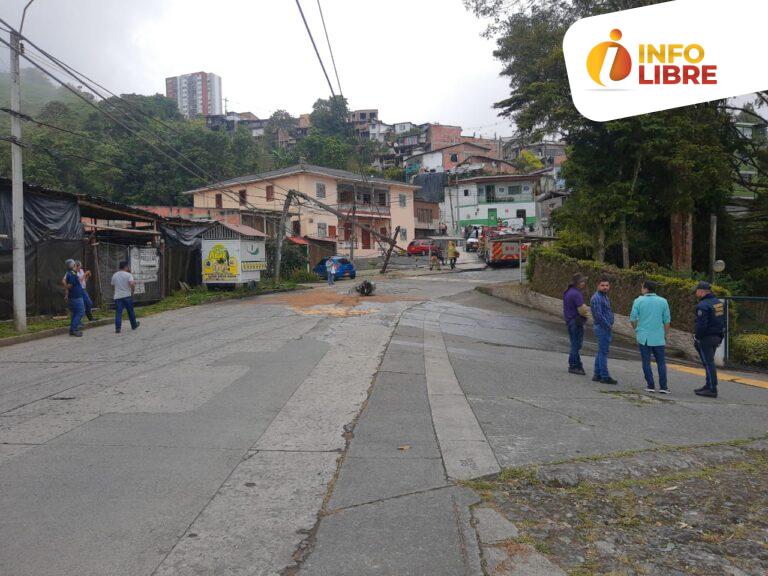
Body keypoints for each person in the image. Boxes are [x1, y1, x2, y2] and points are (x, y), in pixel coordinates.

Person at [630, 280, 671, 394]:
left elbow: (633, 318)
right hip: (658, 336)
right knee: (661, 362)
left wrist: (637, 329)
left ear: (646, 289)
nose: (641, 289)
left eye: (642, 287)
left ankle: (650, 385)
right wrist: (665, 334)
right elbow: (667, 321)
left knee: (646, 361)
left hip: (644, 337)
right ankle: (663, 387)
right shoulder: (663, 301)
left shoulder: (638, 301)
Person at [693, 281, 725, 398]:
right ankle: (708, 385)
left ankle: (712, 389)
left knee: (708, 363)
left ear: (702, 291)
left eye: (696, 290)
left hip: (706, 338)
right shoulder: (718, 303)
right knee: (708, 362)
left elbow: (701, 325)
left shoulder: (702, 305)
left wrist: (697, 336)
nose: (695, 292)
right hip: (717, 336)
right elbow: (721, 320)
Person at [590, 276, 617, 384]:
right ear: (598, 286)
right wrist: (608, 325)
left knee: (601, 351)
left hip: (604, 327)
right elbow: (598, 316)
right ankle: (604, 376)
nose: (605, 287)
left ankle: (597, 374)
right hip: (602, 328)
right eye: (602, 285)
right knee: (603, 352)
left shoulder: (604, 297)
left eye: (606, 285)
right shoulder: (597, 298)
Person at [563, 273, 590, 375]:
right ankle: (573, 365)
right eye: (582, 281)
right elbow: (582, 310)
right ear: (578, 283)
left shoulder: (567, 292)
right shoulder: (576, 294)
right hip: (576, 322)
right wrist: (587, 312)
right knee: (576, 345)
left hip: (569, 320)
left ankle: (578, 364)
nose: (584, 283)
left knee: (574, 344)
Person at [111, 260, 139, 334]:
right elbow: (132, 284)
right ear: (126, 267)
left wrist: (116, 292)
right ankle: (134, 325)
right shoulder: (128, 275)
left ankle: (118, 328)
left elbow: (112, 285)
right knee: (130, 311)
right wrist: (132, 292)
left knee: (118, 312)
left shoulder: (115, 275)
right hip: (127, 296)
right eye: (128, 266)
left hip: (117, 296)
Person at [63, 259, 85, 337]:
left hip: (75, 296)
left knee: (75, 313)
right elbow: (69, 285)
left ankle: (72, 329)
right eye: (74, 264)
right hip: (76, 297)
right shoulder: (71, 274)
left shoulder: (71, 273)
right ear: (73, 265)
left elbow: (64, 281)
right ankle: (74, 329)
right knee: (80, 312)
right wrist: (66, 287)